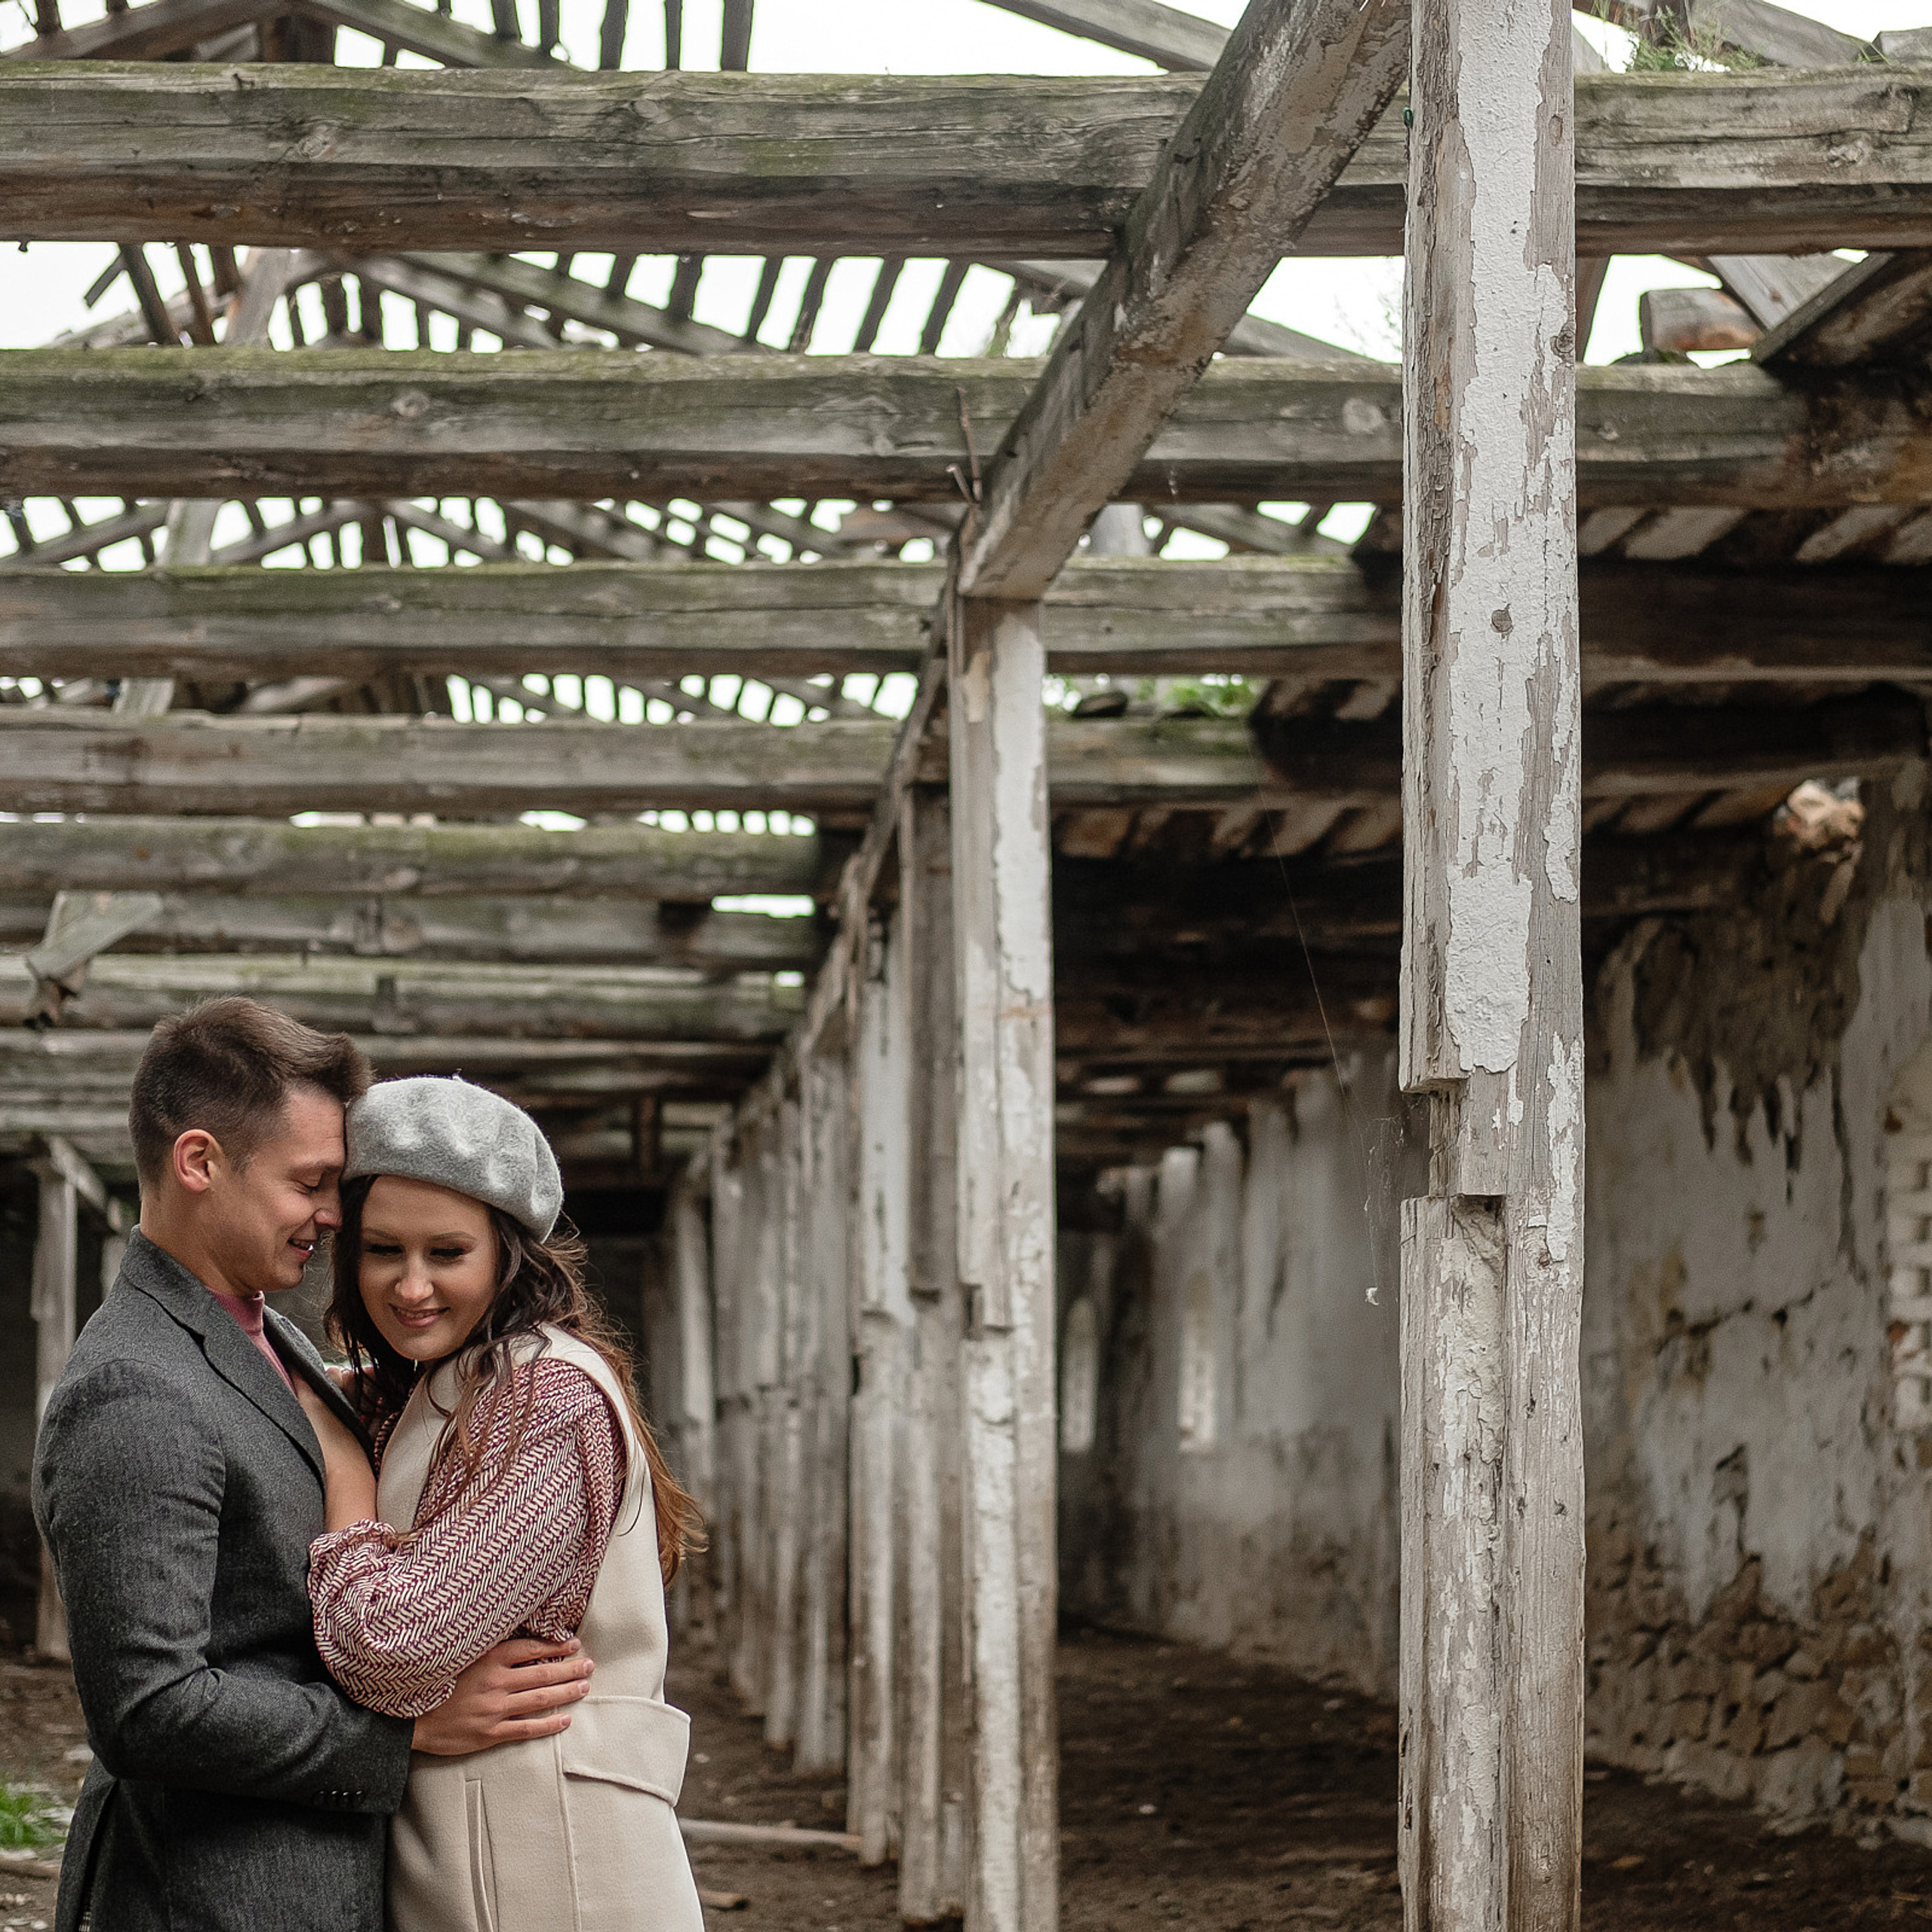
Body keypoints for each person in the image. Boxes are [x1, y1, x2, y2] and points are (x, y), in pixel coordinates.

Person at [32, 998, 595, 1932]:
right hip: (215, 1896)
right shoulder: (133, 1386)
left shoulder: (270, 1333)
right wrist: (405, 1737)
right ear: (200, 1161)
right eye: (310, 1183)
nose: (335, 1215)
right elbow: (147, 1708)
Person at [300, 1074, 707, 1932]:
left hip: (555, 1877)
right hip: (495, 1859)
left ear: (507, 1256)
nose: (411, 1286)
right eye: (383, 1251)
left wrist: (344, 1473)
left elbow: (393, 1645)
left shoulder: (548, 1398)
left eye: (447, 1253)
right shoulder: (447, 1386)